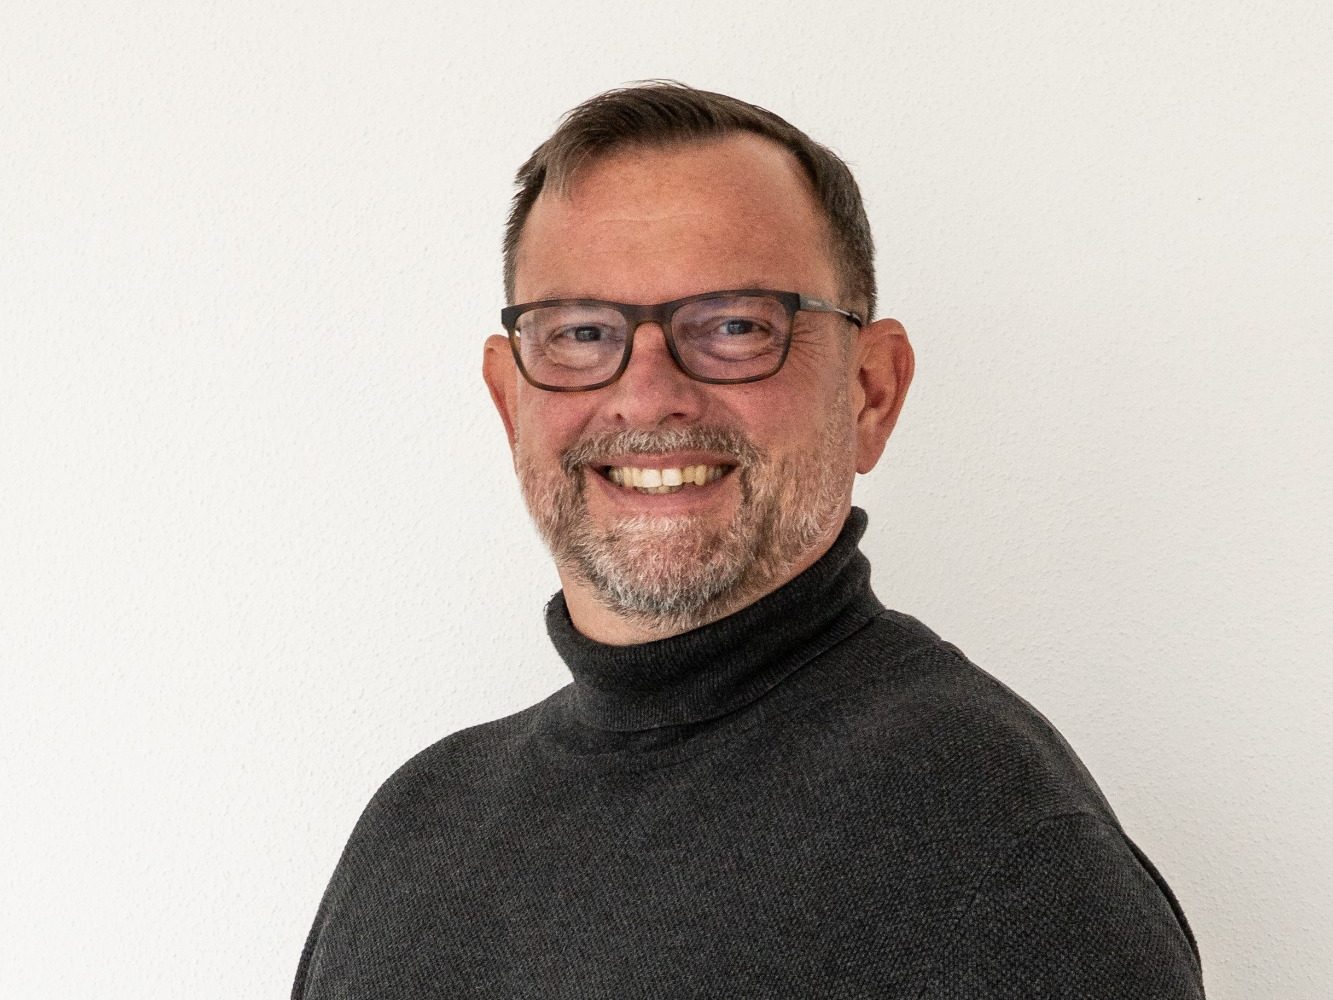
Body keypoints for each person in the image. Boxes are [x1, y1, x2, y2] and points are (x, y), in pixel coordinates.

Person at [293, 82, 1206, 998]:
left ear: (870, 393)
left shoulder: (996, 846)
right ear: (510, 401)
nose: (648, 395)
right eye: (581, 332)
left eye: (734, 326)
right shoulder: (416, 830)